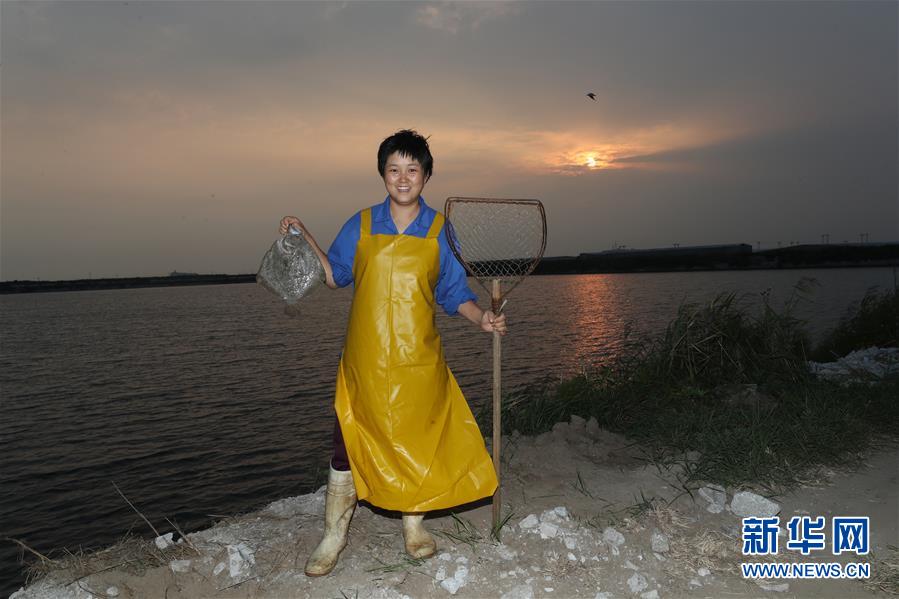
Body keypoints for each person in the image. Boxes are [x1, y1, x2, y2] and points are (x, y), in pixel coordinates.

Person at [279, 129, 505, 577]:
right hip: (363, 360)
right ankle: (333, 535)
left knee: (417, 439)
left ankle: (413, 526)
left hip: (418, 360)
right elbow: (335, 277)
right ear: (383, 174)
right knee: (346, 444)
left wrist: (481, 317)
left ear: (426, 175)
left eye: (412, 169)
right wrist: (306, 237)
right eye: (394, 169)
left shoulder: (440, 230)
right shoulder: (361, 224)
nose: (403, 178)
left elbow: (453, 292)